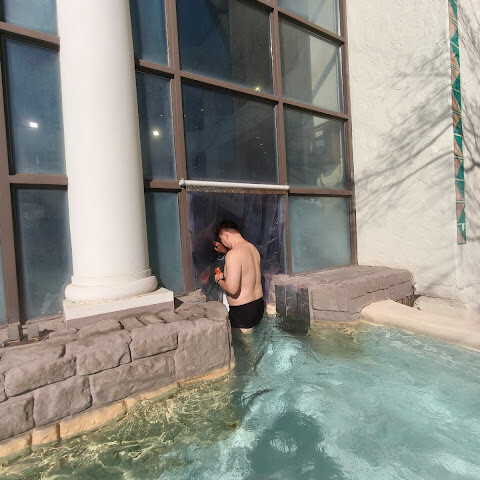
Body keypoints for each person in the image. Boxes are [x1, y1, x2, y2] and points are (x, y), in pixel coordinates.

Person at [213, 220, 264, 333]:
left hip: (242, 312)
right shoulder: (252, 249)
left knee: (245, 344)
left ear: (225, 235)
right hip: (258, 305)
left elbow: (232, 289)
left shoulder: (233, 254)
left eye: (221, 239)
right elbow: (244, 267)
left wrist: (219, 279)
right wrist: (225, 251)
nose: (222, 242)